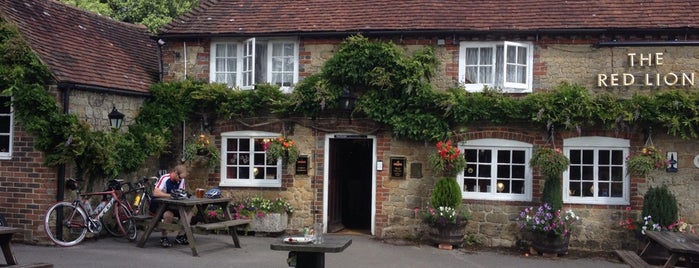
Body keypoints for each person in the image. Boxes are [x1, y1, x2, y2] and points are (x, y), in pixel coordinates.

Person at [151, 164, 191, 247]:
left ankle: (180, 236)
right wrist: (170, 195)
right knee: (168, 215)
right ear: (175, 173)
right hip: (159, 205)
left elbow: (181, 192)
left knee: (189, 213)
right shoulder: (165, 178)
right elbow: (156, 192)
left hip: (173, 205)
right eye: (180, 177)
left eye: (182, 178)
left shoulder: (181, 180)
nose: (181, 180)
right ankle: (164, 237)